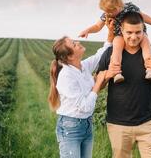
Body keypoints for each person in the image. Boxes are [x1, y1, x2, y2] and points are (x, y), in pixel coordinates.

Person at [97, 11, 151, 158]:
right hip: (118, 126)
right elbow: (96, 86)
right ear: (121, 30)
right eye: (129, 32)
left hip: (148, 124)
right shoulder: (110, 53)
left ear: (144, 30)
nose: (133, 37)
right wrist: (108, 74)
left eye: (138, 32)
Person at [48, 28, 119, 158]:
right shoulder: (66, 76)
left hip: (86, 124)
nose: (78, 43)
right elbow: (85, 106)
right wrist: (98, 83)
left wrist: (110, 36)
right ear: (69, 56)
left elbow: (99, 56)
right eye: (74, 44)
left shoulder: (83, 67)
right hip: (71, 128)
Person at [79, 0, 151, 83]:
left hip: (138, 33)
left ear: (119, 6)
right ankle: (117, 73)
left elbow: (144, 17)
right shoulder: (106, 14)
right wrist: (87, 30)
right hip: (120, 35)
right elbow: (97, 26)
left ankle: (149, 70)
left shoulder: (130, 7)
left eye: (111, 11)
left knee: (146, 46)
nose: (109, 14)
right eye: (107, 12)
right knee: (116, 48)